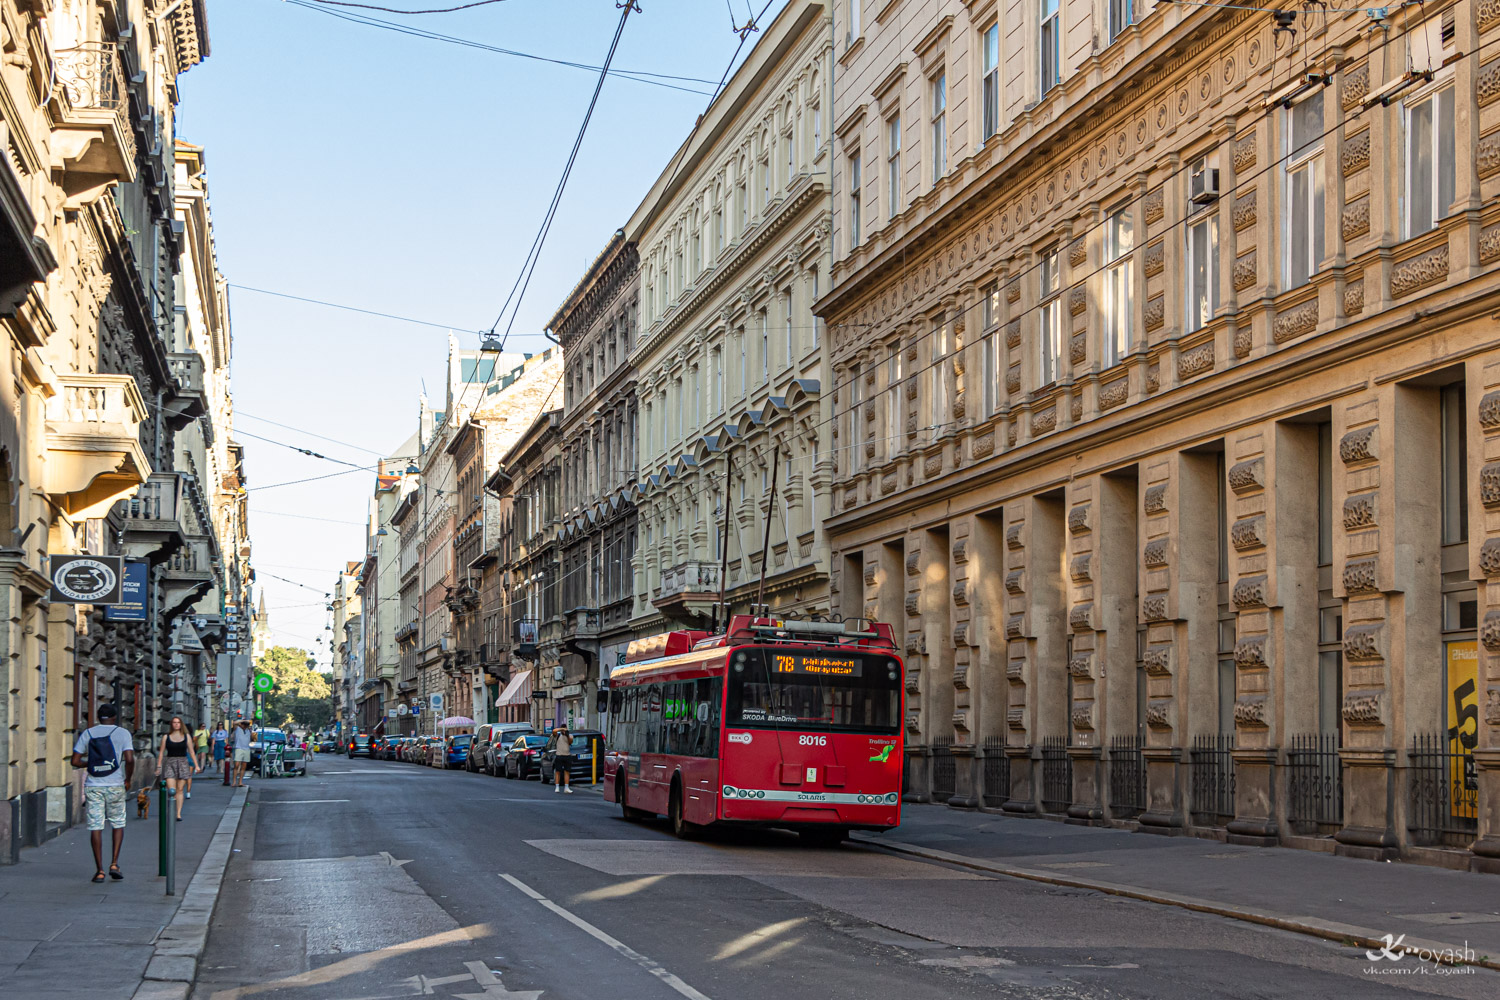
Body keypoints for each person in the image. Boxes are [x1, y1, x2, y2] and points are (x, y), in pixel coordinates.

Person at [70, 703, 134, 883]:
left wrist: (91, 764)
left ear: (98, 717)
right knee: (118, 823)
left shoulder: (88, 733)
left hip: (94, 785)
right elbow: (129, 759)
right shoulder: (123, 733)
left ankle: (99, 871)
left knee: (96, 826)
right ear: (115, 717)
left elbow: (75, 761)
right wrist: (128, 779)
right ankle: (114, 864)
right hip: (115, 784)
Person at [157, 716, 198, 821]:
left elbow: (191, 752)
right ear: (171, 724)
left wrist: (196, 765)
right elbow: (161, 752)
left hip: (183, 763)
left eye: (178, 722)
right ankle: (171, 810)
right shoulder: (166, 737)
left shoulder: (186, 736)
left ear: (181, 724)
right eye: (174, 722)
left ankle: (178, 813)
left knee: (180, 790)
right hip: (170, 763)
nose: (176, 724)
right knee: (171, 790)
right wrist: (159, 766)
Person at [229, 719, 253, 787]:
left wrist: (248, 725)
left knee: (244, 766)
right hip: (239, 748)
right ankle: (234, 782)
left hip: (246, 749)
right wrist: (243, 721)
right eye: (244, 724)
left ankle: (240, 782)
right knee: (236, 765)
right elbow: (234, 723)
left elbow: (252, 738)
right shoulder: (238, 729)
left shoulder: (248, 730)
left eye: (247, 725)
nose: (245, 726)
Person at [550, 726, 573, 794]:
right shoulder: (558, 735)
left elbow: (570, 742)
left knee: (567, 772)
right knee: (558, 771)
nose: (564, 731)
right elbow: (554, 731)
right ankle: (557, 787)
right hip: (559, 755)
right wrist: (561, 729)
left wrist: (567, 735)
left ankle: (566, 787)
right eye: (563, 730)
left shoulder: (570, 736)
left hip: (567, 755)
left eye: (565, 729)